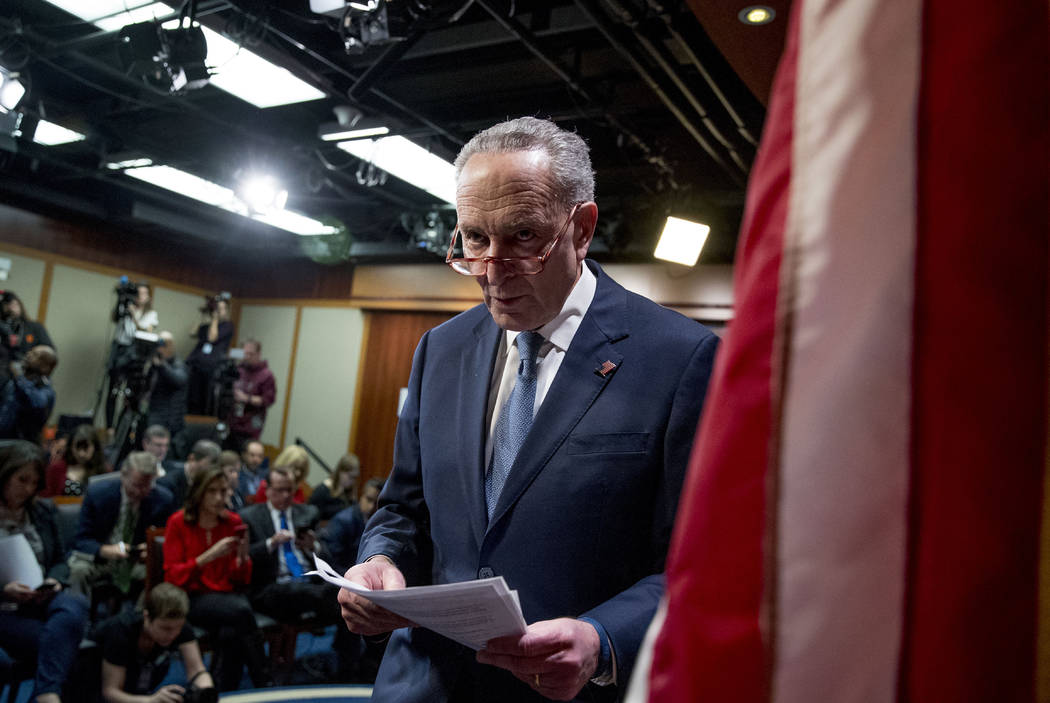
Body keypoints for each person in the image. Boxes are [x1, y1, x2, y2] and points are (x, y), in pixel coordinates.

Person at [337, 117, 719, 702]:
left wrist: (602, 639)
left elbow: (701, 566)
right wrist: (379, 559)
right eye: (474, 239)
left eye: (522, 238)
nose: (492, 271)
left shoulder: (680, 358)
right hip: (424, 685)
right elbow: (403, 506)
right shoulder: (440, 349)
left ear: (582, 228)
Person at [162, 467, 269, 690]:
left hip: (225, 599)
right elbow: (173, 576)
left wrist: (242, 560)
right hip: (191, 597)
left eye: (225, 491)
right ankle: (263, 681)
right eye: (213, 491)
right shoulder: (178, 522)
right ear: (199, 493)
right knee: (241, 612)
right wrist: (209, 556)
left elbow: (241, 579)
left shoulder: (232, 522)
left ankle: (225, 687)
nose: (221, 498)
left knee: (232, 630)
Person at [0, 441, 89, 703]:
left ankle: (45, 694)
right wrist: (4, 591)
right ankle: (47, 695)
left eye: (33, 482)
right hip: (4, 607)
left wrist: (54, 580)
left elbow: (61, 560)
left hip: (40, 597)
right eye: (21, 480)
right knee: (61, 643)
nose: (28, 489)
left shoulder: (42, 511)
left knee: (75, 602)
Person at [239, 466, 341, 628]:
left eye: (290, 490)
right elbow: (244, 557)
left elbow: (328, 556)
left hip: (308, 580)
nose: (286, 495)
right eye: (280, 490)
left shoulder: (308, 513)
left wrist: (312, 546)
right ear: (268, 490)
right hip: (272, 586)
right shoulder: (250, 516)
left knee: (346, 591)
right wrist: (270, 543)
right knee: (329, 594)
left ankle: (347, 650)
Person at [67, 452, 175, 602]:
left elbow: (167, 540)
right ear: (123, 476)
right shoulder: (98, 494)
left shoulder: (163, 500)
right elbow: (80, 540)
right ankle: (76, 615)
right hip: (101, 558)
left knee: (158, 573)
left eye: (148, 486)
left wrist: (152, 549)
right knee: (79, 570)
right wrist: (103, 550)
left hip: (136, 561)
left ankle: (140, 619)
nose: (140, 491)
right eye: (136, 485)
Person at [94, 583, 215, 703]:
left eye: (179, 627)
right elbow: (110, 692)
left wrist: (206, 693)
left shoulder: (177, 627)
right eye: (165, 628)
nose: (173, 634)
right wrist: (150, 701)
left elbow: (197, 671)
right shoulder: (120, 632)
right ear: (147, 617)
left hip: (139, 689)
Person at [106, 282, 158, 429]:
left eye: (143, 293)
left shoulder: (151, 314)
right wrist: (121, 300)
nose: (140, 296)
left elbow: (145, 331)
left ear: (148, 297)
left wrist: (134, 315)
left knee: (130, 394)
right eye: (138, 293)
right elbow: (115, 318)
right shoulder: (126, 307)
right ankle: (109, 427)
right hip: (119, 349)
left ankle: (122, 427)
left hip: (135, 353)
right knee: (112, 391)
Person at [320, 477, 382, 574]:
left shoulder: (381, 523)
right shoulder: (343, 521)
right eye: (369, 499)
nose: (371, 507)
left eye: (377, 503)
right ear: (360, 496)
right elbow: (332, 564)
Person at [185, 295, 233, 416]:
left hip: (211, 369)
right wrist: (203, 316)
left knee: (204, 401)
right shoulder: (207, 324)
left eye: (221, 308)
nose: (218, 311)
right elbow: (192, 333)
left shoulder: (227, 325)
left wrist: (215, 319)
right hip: (196, 365)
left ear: (227, 310)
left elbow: (212, 338)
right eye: (217, 308)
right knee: (192, 397)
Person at [224, 340, 275, 452]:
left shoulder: (266, 375)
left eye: (250, 354)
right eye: (244, 353)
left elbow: (268, 400)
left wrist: (246, 398)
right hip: (232, 423)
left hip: (250, 427)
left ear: (258, 354)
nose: (246, 357)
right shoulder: (238, 370)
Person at [0, 345, 57, 442]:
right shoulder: (14, 382)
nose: (28, 355)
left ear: (46, 367)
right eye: (30, 352)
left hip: (21, 447)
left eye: (35, 355)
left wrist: (19, 378)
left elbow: (37, 403)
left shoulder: (46, 391)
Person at [43, 423, 110, 497]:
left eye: (86, 447)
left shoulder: (105, 472)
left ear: (95, 447)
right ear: (71, 447)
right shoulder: (56, 469)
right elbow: (45, 499)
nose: (81, 454)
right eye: (78, 447)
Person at [145, 332, 188, 441]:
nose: (160, 349)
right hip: (154, 410)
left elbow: (179, 380)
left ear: (171, 347)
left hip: (168, 417)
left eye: (163, 345)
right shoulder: (155, 364)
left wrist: (162, 366)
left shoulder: (177, 364)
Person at [157, 439, 220, 510]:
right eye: (209, 464)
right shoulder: (167, 483)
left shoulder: (206, 484)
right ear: (192, 458)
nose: (211, 470)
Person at [0, 290, 55, 356]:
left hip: (28, 363)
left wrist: (36, 353)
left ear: (20, 305)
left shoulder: (35, 327)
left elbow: (50, 351)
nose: (11, 309)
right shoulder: (3, 327)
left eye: (13, 304)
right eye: (6, 305)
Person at [308, 453, 360, 521]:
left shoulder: (349, 494)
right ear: (340, 471)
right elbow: (311, 515)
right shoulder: (322, 490)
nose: (352, 481)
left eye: (355, 478)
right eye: (350, 477)